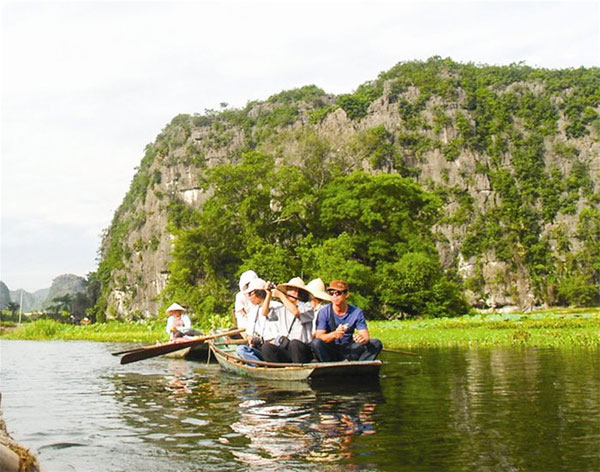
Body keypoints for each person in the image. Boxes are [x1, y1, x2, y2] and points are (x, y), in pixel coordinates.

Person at [310, 280, 382, 362]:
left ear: (346, 295)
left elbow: (365, 336)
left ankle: (360, 366)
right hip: (331, 349)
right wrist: (334, 334)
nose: (334, 296)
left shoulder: (356, 312)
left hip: (349, 348)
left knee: (376, 343)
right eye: (331, 293)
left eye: (338, 293)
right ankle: (328, 365)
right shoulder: (324, 312)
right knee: (316, 343)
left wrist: (362, 339)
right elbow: (319, 336)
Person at [261, 277, 315, 364]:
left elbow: (296, 312)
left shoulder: (307, 307)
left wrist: (281, 296)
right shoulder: (282, 308)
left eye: (297, 290)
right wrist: (268, 294)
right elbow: (264, 312)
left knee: (294, 344)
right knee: (266, 347)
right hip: (286, 347)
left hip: (302, 349)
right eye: (291, 289)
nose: (295, 292)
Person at [236, 278, 281, 362]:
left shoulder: (276, 307)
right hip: (260, 348)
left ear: (258, 293)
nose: (249, 297)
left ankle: (263, 364)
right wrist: (251, 339)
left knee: (267, 348)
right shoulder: (254, 310)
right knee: (241, 349)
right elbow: (249, 333)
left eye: (250, 294)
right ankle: (259, 364)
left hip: (273, 349)